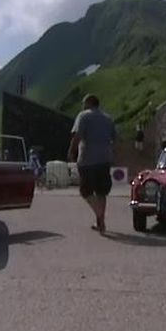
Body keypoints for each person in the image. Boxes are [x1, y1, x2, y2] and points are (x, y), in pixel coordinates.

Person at [68, 94, 116, 234]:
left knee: (86, 191)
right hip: (105, 159)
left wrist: (71, 151)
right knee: (101, 192)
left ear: (89, 103)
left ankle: (100, 216)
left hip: (87, 160)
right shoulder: (108, 118)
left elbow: (76, 136)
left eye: (83, 103)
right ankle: (100, 223)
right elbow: (115, 138)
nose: (82, 105)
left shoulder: (83, 116)